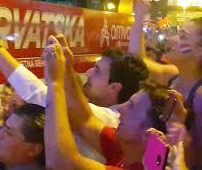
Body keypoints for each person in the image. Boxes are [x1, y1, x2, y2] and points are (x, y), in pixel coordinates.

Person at [0, 4, 148, 161]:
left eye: (98, 71)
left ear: (114, 87)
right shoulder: (99, 114)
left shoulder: (109, 119)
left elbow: (38, 92)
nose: (88, 71)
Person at [42, 35, 185, 169]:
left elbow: (60, 161)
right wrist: (66, 70)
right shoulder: (125, 148)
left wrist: (55, 83)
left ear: (150, 134)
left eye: (132, 107)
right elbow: (84, 120)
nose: (121, 109)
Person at [127, 0, 202, 167]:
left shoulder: (199, 96)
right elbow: (136, 63)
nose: (172, 39)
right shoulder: (173, 77)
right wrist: (139, 16)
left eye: (183, 36)